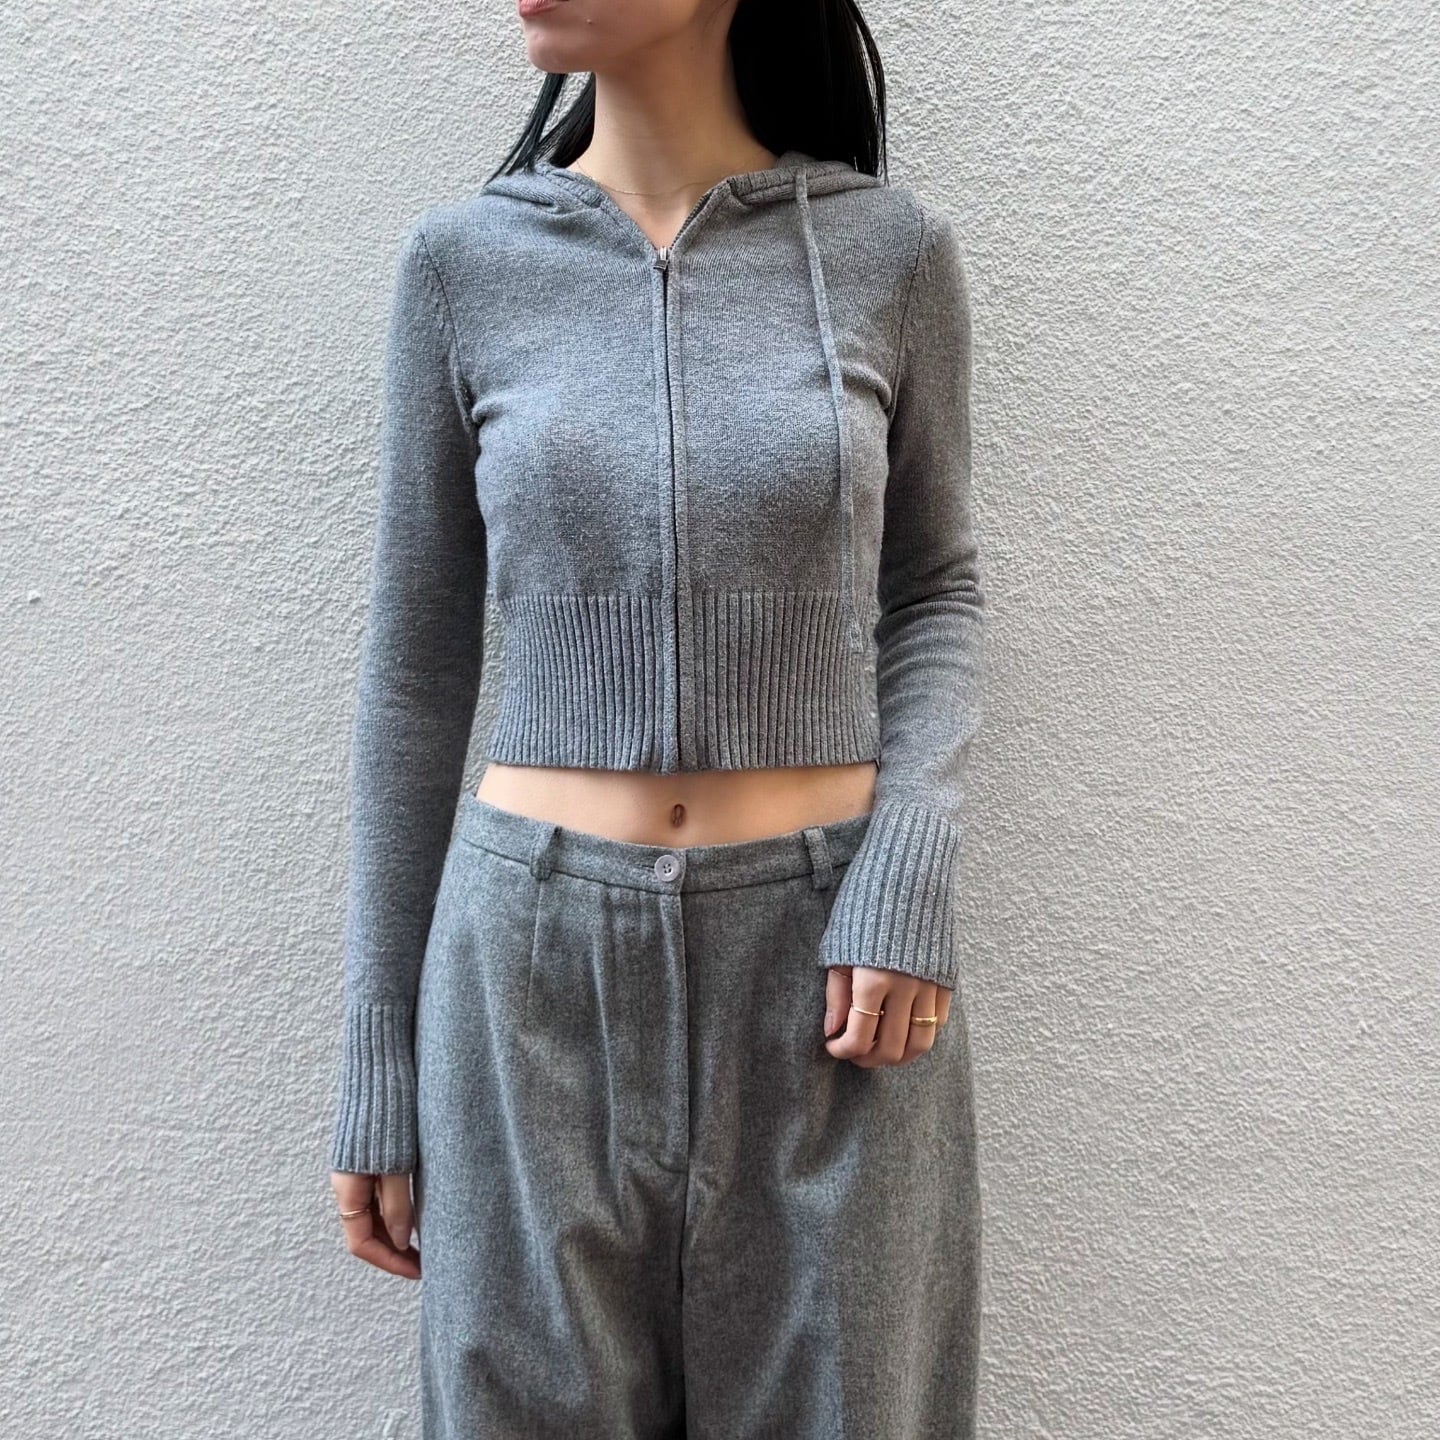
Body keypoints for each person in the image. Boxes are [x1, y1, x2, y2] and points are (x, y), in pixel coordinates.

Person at [326, 0, 986, 1434]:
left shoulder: (887, 252)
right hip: (529, 983)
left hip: (825, 977)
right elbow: (417, 663)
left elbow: (935, 587)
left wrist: (907, 867)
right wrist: (379, 1047)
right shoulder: (464, 266)